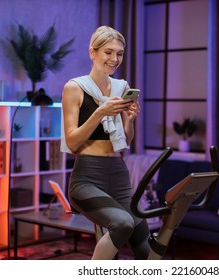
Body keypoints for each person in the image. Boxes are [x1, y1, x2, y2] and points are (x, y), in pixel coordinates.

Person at [61, 25, 150, 260]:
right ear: (93, 52)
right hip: (87, 176)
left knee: (143, 241)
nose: (114, 59)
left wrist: (129, 120)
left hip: (118, 173)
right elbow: (72, 142)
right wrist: (100, 112)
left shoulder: (122, 87)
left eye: (119, 53)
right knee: (122, 224)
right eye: (108, 52)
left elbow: (125, 141)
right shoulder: (75, 88)